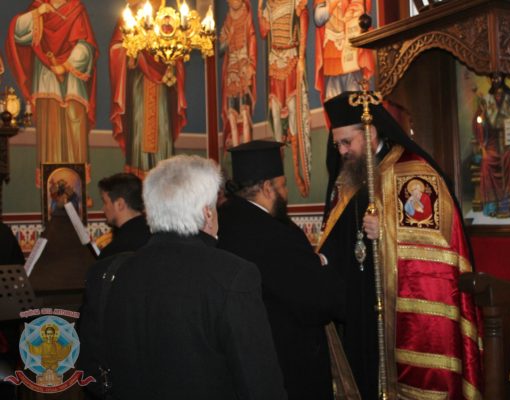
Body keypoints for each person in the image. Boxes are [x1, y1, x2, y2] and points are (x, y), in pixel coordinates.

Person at [79, 155, 287, 399]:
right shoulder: (233, 275)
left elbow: (89, 367)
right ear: (207, 213)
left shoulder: (108, 273)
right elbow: (260, 384)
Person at [319, 91, 483, 399]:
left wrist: (386, 233)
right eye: (337, 144)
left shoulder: (413, 172)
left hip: (395, 314)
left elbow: (436, 256)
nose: (341, 151)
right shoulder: (349, 177)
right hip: (357, 306)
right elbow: (338, 236)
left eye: (346, 142)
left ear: (369, 132)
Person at [218, 140, 345, 400]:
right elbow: (317, 301)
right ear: (268, 188)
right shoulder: (275, 234)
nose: (286, 192)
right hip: (286, 363)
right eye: (284, 185)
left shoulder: (223, 221)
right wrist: (322, 266)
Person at [5, 0, 98, 182]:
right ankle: (51, 186)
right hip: (46, 80)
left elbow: (87, 46)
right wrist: (38, 12)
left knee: (74, 126)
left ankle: (75, 186)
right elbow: (18, 34)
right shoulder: (39, 7)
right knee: (50, 129)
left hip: (73, 81)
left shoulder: (76, 9)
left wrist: (65, 66)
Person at [109, 0, 187, 178]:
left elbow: (178, 50)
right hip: (139, 85)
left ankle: (163, 177)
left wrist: (169, 62)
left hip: (162, 88)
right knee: (140, 127)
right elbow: (116, 48)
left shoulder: (167, 17)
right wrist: (131, 53)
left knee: (162, 128)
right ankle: (140, 177)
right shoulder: (130, 16)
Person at [258, 0, 311, 196]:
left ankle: (297, 173)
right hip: (274, 60)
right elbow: (264, 31)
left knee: (293, 114)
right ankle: (278, 176)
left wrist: (302, 58)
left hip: (290, 57)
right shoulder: (269, 5)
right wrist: (259, 9)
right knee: (275, 114)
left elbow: (303, 21)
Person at [474, 72, 510, 218]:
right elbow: (479, 123)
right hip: (492, 140)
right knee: (487, 162)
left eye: (498, 77)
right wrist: (482, 120)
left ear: (503, 78)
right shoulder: (486, 100)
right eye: (493, 77)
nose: (495, 80)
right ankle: (492, 204)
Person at [314, 0, 375, 102]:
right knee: (333, 98)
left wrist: (358, 10)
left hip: (352, 49)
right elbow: (318, 19)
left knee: (356, 94)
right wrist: (333, 3)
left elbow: (364, 10)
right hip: (332, 48)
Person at [220, 0, 257, 148]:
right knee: (231, 115)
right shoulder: (227, 22)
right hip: (231, 70)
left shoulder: (247, 17)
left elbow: (252, 39)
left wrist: (251, 64)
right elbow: (221, 48)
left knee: (244, 112)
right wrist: (227, 40)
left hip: (244, 66)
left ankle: (246, 150)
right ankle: (236, 152)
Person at [96, 173, 150, 259]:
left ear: (120, 204)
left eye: (105, 202)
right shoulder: (154, 235)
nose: (103, 209)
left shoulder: (115, 251)